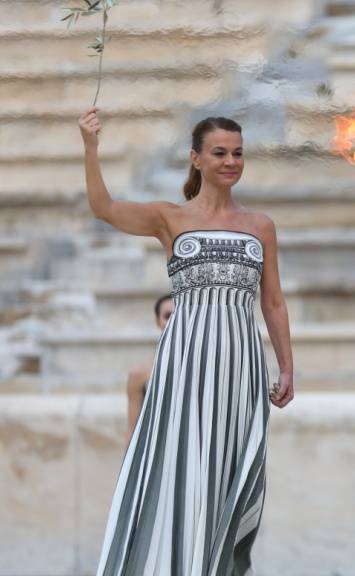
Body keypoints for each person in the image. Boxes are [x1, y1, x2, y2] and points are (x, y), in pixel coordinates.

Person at [80, 108, 295, 574]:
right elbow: (103, 208)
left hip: (241, 368)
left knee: (231, 479)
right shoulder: (169, 218)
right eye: (219, 152)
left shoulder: (260, 226)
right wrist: (91, 147)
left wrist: (286, 366)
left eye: (238, 153)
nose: (231, 161)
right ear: (196, 158)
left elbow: (273, 303)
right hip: (185, 365)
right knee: (182, 472)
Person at [124, 294, 174, 442]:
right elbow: (132, 431)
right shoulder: (139, 373)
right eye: (167, 315)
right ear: (158, 322)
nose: (173, 320)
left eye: (178, 315)